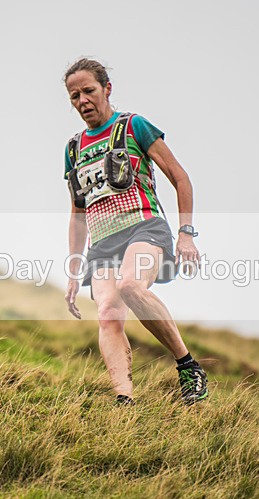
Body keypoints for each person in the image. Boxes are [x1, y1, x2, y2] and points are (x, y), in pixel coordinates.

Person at [62, 58, 208, 405]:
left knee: (130, 285)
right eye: (74, 96)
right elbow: (78, 212)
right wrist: (73, 267)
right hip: (101, 243)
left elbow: (180, 177)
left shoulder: (134, 127)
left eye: (88, 91)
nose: (82, 101)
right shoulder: (72, 149)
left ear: (107, 89)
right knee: (108, 312)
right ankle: (124, 403)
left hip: (144, 227)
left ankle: (188, 366)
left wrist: (185, 233)